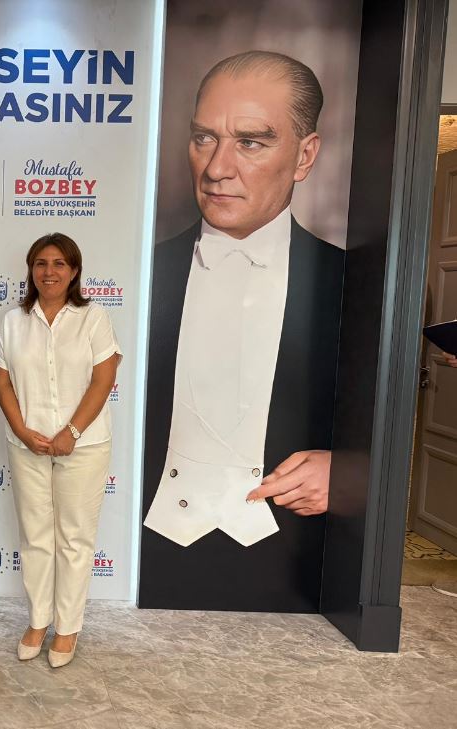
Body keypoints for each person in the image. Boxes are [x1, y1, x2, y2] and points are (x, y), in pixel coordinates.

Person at [140, 51, 345, 611]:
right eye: (203, 138)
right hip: (143, 557)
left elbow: (390, 427)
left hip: (292, 563)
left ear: (305, 156)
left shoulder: (353, 282)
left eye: (251, 142)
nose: (216, 168)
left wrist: (353, 473)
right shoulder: (134, 275)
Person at [0, 233, 120, 668]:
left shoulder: (93, 317)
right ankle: (38, 621)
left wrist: (71, 431)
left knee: (74, 538)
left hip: (84, 446)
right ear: (31, 270)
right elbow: (3, 382)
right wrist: (22, 430)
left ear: (74, 271)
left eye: (59, 264)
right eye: (41, 264)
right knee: (35, 536)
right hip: (26, 445)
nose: (50, 272)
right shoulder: (13, 321)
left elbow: (104, 379)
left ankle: (67, 627)